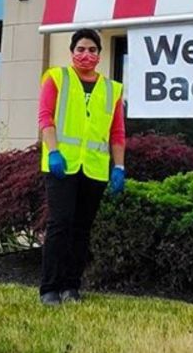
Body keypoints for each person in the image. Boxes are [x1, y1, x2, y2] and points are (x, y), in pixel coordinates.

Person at [37, 28, 126, 305]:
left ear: (100, 55)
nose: (86, 55)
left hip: (95, 169)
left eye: (92, 50)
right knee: (59, 225)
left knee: (81, 229)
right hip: (61, 165)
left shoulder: (112, 89)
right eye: (80, 49)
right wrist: (53, 152)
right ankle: (49, 288)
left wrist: (119, 167)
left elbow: (117, 133)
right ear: (72, 52)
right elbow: (45, 117)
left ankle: (71, 286)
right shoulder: (57, 78)